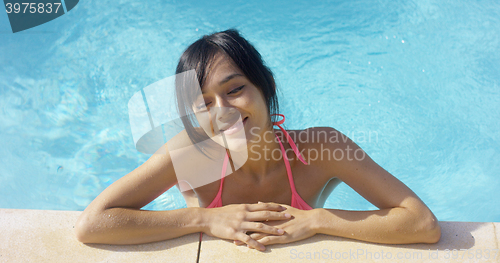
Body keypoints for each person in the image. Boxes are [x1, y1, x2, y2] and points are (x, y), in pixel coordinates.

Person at [75, 29, 440, 251]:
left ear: (266, 88)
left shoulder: (323, 147)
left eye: (235, 90)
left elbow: (422, 223)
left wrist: (319, 220)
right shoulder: (190, 153)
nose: (222, 111)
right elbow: (92, 224)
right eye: (203, 104)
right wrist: (202, 219)